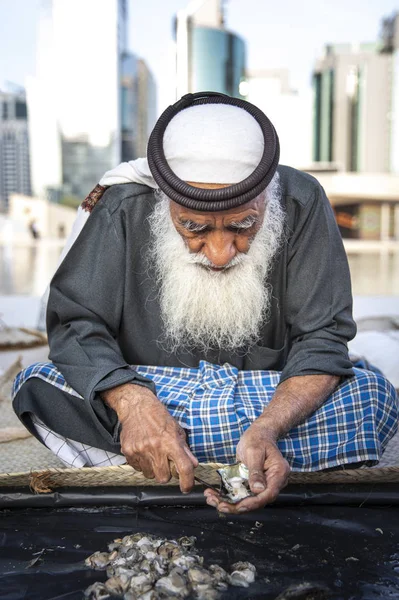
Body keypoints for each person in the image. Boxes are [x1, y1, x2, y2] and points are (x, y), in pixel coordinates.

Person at [12, 92, 398, 514]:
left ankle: (171, 460)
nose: (219, 253)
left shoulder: (301, 201)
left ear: (266, 196)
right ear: (164, 201)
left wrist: (268, 428)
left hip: (264, 397)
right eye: (193, 227)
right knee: (37, 385)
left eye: (242, 225)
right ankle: (226, 459)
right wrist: (134, 404)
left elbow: (323, 337)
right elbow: (75, 323)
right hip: (152, 388)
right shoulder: (122, 206)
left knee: (371, 394)